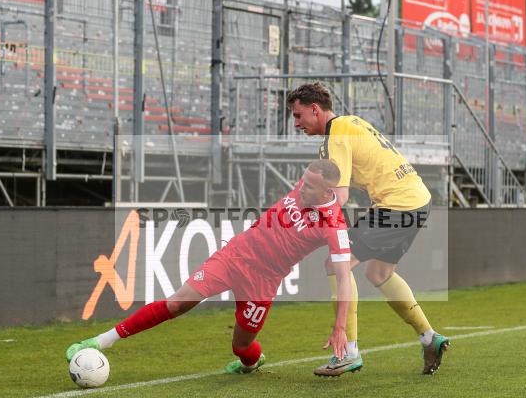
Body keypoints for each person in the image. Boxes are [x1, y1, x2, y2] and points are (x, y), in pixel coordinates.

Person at [66, 160, 354, 374]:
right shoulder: (306, 186)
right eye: (302, 181)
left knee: (241, 347)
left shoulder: (334, 225)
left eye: (309, 186)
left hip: (263, 281)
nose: (301, 188)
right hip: (235, 256)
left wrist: (339, 327)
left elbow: (343, 279)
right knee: (178, 303)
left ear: (327, 191)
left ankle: (252, 362)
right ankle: (100, 341)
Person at [287, 82, 449, 376]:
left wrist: (306, 220)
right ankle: (429, 338)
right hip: (417, 199)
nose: (296, 123)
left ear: (315, 109)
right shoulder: (350, 122)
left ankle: (348, 352)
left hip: (397, 204)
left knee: (335, 262)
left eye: (298, 115)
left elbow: (340, 196)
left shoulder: (336, 137)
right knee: (379, 273)